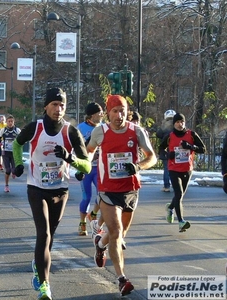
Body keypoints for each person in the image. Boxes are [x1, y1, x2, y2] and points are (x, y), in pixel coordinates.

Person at [12, 87, 91, 300]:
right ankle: (45, 286)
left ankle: (38, 265)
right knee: (44, 234)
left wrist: (71, 159)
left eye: (62, 105)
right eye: (55, 104)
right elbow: (16, 144)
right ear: (46, 106)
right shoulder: (35, 128)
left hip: (60, 190)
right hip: (36, 188)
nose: (58, 109)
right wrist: (18, 164)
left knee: (50, 237)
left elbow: (87, 166)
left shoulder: (70, 132)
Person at [86, 94, 157, 296]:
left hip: (130, 189)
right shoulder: (100, 131)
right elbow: (89, 151)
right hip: (108, 190)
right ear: (108, 113)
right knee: (116, 232)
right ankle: (121, 279)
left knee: (121, 232)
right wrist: (86, 162)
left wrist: (138, 166)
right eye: (115, 111)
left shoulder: (137, 131)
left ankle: (100, 245)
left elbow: (152, 157)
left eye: (122, 111)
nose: (119, 115)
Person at [159, 113, 206, 232]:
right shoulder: (169, 136)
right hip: (173, 169)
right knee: (178, 194)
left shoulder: (191, 134)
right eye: (177, 122)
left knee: (180, 195)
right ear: (174, 124)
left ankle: (170, 208)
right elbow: (160, 150)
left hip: (187, 169)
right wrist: (168, 155)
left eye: (182, 122)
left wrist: (190, 146)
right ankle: (181, 222)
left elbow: (203, 149)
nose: (180, 124)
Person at [75, 102, 104, 236]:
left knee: (102, 195)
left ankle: (93, 214)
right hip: (86, 168)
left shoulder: (104, 127)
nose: (102, 114)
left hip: (100, 167)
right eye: (99, 112)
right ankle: (82, 223)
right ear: (92, 115)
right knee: (86, 197)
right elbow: (74, 147)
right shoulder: (80, 128)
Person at [0, 115, 21, 193]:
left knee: (14, 170)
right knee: (8, 170)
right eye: (9, 121)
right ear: (6, 122)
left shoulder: (17, 130)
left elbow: (22, 139)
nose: (10, 123)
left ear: (14, 122)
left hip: (14, 153)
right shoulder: (3, 130)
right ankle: (6, 186)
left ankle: (14, 172)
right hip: (5, 152)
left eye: (12, 121)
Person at [156, 109, 176, 192]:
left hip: (165, 150)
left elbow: (158, 134)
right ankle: (176, 185)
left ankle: (166, 186)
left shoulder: (164, 126)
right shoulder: (176, 125)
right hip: (175, 150)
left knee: (166, 169)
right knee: (176, 169)